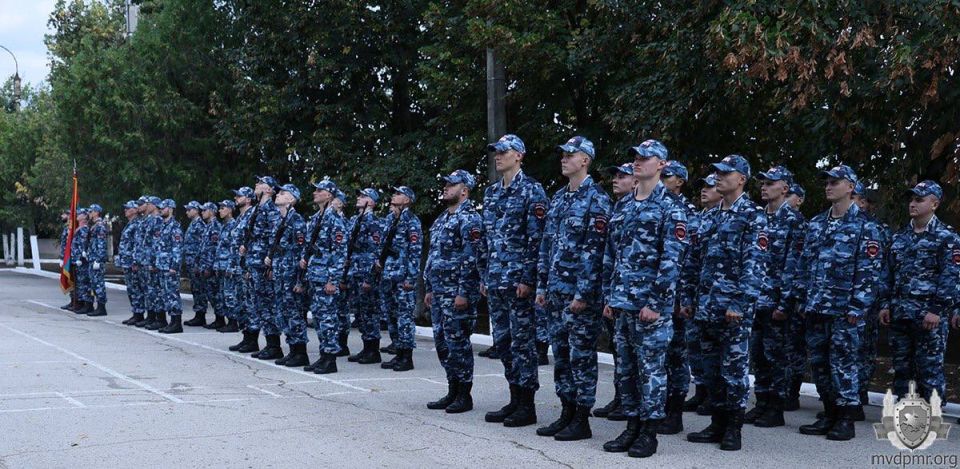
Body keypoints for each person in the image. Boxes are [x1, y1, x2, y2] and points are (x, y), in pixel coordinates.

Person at [600, 140, 688, 458]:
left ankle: (649, 433)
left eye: (645, 157)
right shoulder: (624, 206)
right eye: (635, 157)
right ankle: (632, 425)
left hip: (650, 306)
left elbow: (671, 260)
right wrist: (610, 296)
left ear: (662, 164)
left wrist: (656, 302)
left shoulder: (671, 207)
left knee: (651, 369)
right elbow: (614, 254)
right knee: (625, 369)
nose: (637, 161)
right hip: (622, 302)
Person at [792, 165, 884, 441]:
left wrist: (858, 307)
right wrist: (801, 298)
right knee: (819, 364)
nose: (829, 186)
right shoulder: (817, 223)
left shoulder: (866, 227)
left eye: (835, 182)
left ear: (851, 187)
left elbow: (869, 272)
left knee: (843, 364)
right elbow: (804, 264)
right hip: (817, 307)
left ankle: (846, 418)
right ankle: (830, 413)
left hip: (845, 310)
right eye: (827, 182)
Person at [685, 154, 767, 451]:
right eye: (716, 172)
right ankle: (717, 422)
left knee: (733, 369)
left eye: (724, 173)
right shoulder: (709, 215)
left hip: (733, 309)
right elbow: (695, 261)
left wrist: (740, 303)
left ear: (741, 179)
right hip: (706, 306)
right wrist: (688, 297)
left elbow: (755, 264)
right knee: (711, 368)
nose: (718, 177)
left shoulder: (753, 215)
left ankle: (734, 427)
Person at [535, 136, 612, 441]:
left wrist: (583, 294)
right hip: (555, 292)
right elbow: (547, 245)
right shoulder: (559, 198)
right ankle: (566, 411)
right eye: (563, 154)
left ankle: (582, 417)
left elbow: (596, 252)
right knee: (562, 355)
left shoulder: (598, 199)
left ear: (586, 160)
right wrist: (542, 285)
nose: (564, 158)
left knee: (581, 356)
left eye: (571, 154)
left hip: (580, 297)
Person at [480, 134, 549, 427]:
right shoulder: (491, 193)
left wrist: (528, 279)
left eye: (503, 152)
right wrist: (485, 275)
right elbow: (487, 240)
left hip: (518, 283)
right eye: (496, 152)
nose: (498, 156)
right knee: (504, 343)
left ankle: (527, 404)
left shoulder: (533, 191)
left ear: (519, 155)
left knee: (523, 344)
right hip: (496, 280)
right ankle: (513, 397)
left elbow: (538, 240)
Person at [879, 181, 958, 403]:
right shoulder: (900, 236)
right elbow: (888, 273)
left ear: (934, 204)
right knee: (902, 367)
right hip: (900, 313)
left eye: (919, 199)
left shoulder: (947, 237)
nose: (912, 204)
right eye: (911, 199)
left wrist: (937, 309)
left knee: (929, 367)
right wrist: (885, 304)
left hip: (928, 315)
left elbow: (950, 276)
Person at [745, 166, 806, 428]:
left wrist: (785, 302)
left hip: (777, 303)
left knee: (777, 357)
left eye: (771, 183)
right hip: (755, 300)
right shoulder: (758, 218)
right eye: (762, 182)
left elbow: (795, 266)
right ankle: (762, 402)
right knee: (758, 355)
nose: (764, 186)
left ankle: (776, 407)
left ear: (785, 188)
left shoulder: (794, 221)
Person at [425, 170, 484, 413]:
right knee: (442, 342)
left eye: (451, 184)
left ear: (464, 190)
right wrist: (428, 287)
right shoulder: (441, 219)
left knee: (458, 342)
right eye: (445, 184)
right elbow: (433, 256)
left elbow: (472, 259)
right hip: (439, 292)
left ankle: (464, 394)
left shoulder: (469, 218)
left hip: (457, 293)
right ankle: (452, 388)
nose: (446, 188)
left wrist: (463, 292)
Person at [594, 162, 638, 422]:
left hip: (639, 299)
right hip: (618, 294)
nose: (616, 180)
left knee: (639, 358)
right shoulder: (618, 209)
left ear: (635, 182)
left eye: (623, 176)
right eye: (615, 176)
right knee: (619, 352)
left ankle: (640, 411)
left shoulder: (645, 208)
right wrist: (609, 295)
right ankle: (621, 398)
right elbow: (611, 257)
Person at [658, 159, 698, 435]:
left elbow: (690, 259)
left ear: (680, 182)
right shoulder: (654, 206)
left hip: (678, 296)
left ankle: (674, 412)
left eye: (667, 176)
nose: (662, 180)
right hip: (659, 295)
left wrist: (684, 299)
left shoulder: (686, 211)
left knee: (677, 355)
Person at [681, 175, 722, 415]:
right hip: (698, 295)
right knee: (695, 345)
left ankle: (714, 399)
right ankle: (702, 391)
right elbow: (691, 260)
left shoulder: (739, 216)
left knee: (716, 352)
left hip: (718, 298)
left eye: (710, 186)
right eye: (703, 186)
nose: (704, 191)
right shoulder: (699, 219)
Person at [302, 179, 349, 374]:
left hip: (326, 277)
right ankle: (323, 356)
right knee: (320, 319)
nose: (315, 193)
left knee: (328, 318)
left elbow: (340, 253)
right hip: (315, 274)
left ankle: (330, 359)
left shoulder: (334, 220)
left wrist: (333, 280)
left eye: (319, 190)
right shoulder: (316, 218)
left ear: (329, 195)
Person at [376, 186, 422, 372]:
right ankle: (397, 351)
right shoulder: (390, 219)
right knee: (391, 315)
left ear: (407, 200)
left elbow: (415, 251)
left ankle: (406, 357)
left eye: (398, 194)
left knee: (404, 317)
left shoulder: (412, 221)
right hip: (388, 274)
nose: (393, 196)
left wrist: (411, 278)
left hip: (403, 276)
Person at [265, 184, 310, 367]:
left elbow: (302, 253)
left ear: (291, 199)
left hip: (291, 275)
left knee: (295, 313)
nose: (279, 195)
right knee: (283, 312)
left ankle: (300, 353)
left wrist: (300, 281)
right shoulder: (280, 220)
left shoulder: (297, 221)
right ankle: (292, 350)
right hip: (281, 274)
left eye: (283, 193)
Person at [244, 176, 283, 360]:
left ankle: (274, 345)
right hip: (254, 262)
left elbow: (275, 238)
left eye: (260, 184)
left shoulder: (271, 210)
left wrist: (271, 263)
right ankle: (269, 343)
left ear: (269, 190)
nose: (256, 185)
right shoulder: (257, 209)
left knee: (268, 304)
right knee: (260, 305)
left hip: (264, 265)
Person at [345, 188, 385, 364]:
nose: (359, 198)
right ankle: (366, 347)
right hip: (354, 270)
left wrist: (371, 277)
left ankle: (373, 350)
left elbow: (376, 251)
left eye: (363, 196)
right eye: (359, 195)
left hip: (366, 270)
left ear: (372, 202)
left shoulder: (373, 222)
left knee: (370, 311)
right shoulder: (354, 220)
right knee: (361, 312)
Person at [228, 187, 261, 353]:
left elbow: (252, 243)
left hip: (246, 266)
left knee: (250, 304)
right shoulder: (241, 217)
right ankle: (246, 336)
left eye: (239, 196)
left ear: (248, 199)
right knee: (241, 303)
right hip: (237, 267)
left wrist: (248, 266)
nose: (236, 198)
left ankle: (252, 340)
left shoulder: (252, 215)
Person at [156, 199, 184, 334]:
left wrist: (174, 266)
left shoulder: (175, 226)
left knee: (173, 294)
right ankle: (171, 322)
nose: (161, 210)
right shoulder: (163, 225)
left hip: (170, 267)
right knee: (166, 295)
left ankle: (177, 323)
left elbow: (177, 248)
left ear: (171, 209)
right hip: (162, 266)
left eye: (164, 207)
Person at [133, 197, 162, 328]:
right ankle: (151, 317)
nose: (147, 206)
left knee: (154, 290)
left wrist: (153, 262)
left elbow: (156, 244)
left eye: (149, 204)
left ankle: (158, 318)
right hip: (145, 260)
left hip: (152, 261)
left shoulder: (157, 220)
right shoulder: (148, 220)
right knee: (148, 291)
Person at [214, 200, 241, 337]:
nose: (220, 210)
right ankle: (228, 320)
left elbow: (233, 248)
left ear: (230, 210)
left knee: (230, 295)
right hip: (222, 265)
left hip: (229, 266)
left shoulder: (233, 225)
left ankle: (233, 322)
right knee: (224, 294)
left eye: (223, 208)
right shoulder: (224, 226)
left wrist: (231, 266)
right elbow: (220, 248)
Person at [197, 203, 226, 330]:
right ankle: (218, 318)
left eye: (204, 210)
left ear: (212, 211)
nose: (202, 212)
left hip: (211, 266)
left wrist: (210, 267)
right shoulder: (209, 226)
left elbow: (214, 249)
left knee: (215, 294)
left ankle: (220, 319)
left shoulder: (215, 226)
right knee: (211, 293)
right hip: (206, 265)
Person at [183, 201, 209, 326]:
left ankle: (201, 315)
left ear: (196, 210)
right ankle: (198, 314)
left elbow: (203, 245)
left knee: (199, 289)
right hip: (191, 262)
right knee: (195, 288)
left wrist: (200, 264)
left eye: (189, 209)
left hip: (196, 263)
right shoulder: (193, 224)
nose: (187, 212)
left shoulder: (199, 225)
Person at [118, 201, 145, 325]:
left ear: (134, 210)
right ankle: (135, 313)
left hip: (132, 262)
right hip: (126, 261)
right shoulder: (130, 224)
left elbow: (137, 244)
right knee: (131, 289)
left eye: (128, 208)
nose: (125, 210)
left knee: (135, 288)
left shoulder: (137, 223)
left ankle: (139, 314)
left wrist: (135, 261)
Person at [84, 204, 109, 316]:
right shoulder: (93, 225)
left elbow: (101, 244)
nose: (89, 213)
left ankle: (101, 307)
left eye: (91, 211)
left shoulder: (100, 226)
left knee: (98, 283)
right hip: (92, 257)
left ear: (96, 212)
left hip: (96, 259)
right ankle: (96, 306)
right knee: (93, 283)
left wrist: (98, 260)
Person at [70, 208, 92, 314]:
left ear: (84, 216)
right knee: (79, 282)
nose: (77, 215)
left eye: (79, 214)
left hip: (82, 260)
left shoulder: (84, 229)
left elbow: (84, 244)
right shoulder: (78, 228)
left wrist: (80, 257)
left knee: (84, 282)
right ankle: (81, 303)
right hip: (77, 259)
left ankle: (86, 304)